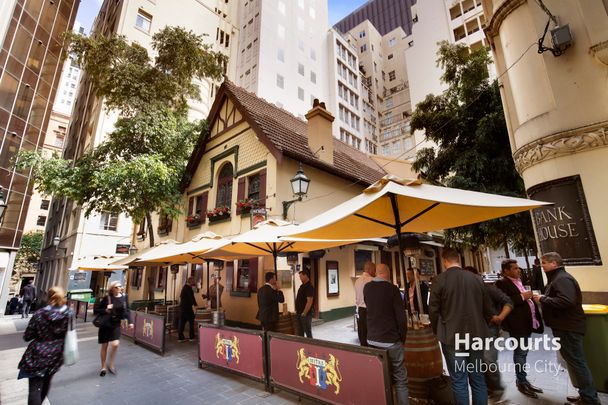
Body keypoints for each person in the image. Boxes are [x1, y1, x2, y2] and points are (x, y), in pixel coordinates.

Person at [533, 252, 601, 405]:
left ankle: (590, 399)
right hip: (565, 326)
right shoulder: (558, 278)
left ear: (554, 264)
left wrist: (543, 298)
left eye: (544, 263)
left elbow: (566, 301)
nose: (541, 266)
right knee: (575, 361)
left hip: (568, 327)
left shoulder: (561, 279)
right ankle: (586, 394)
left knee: (577, 362)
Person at [429, 248, 493, 405]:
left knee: (459, 380)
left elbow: (433, 310)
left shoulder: (439, 280)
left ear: (445, 261)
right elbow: (488, 310)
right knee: (477, 377)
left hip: (451, 336)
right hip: (476, 335)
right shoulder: (476, 279)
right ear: (459, 260)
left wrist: (436, 330)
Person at [495, 259, 544, 398]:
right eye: (515, 268)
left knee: (523, 353)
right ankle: (521, 381)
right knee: (520, 354)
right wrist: (523, 296)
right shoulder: (502, 283)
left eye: (518, 268)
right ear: (506, 270)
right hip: (517, 325)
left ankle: (523, 380)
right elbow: (504, 302)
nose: (518, 270)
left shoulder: (518, 280)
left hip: (526, 323)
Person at [464, 265, 513, 401]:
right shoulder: (466, 292)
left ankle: (497, 389)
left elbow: (508, 302)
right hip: (474, 330)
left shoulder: (489, 288)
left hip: (490, 329)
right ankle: (488, 389)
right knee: (478, 362)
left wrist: (500, 317)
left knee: (488, 359)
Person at [364, 263, 409, 405]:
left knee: (380, 377)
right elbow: (401, 319)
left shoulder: (367, 288)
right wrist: (402, 338)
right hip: (391, 340)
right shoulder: (393, 289)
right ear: (387, 273)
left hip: (372, 340)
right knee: (400, 379)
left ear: (376, 273)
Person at [18, 286, 70, 405]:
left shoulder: (39, 314)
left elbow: (27, 336)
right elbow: (69, 334)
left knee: (35, 387)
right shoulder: (68, 314)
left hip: (38, 352)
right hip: (57, 353)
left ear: (48, 296)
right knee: (47, 382)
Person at [93, 281, 132, 376]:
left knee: (115, 344)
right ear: (113, 289)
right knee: (104, 346)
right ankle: (103, 367)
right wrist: (105, 310)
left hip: (116, 324)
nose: (120, 287)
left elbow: (127, 310)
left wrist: (130, 322)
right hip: (105, 324)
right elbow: (96, 309)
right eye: (117, 286)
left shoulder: (124, 297)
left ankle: (111, 363)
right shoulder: (107, 298)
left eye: (120, 286)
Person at [354, 260, 376, 346]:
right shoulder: (372, 280)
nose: (374, 272)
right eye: (374, 270)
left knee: (362, 337)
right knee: (372, 337)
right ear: (370, 269)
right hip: (370, 311)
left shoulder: (357, 281)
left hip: (360, 311)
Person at [295, 270, 314, 338]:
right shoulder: (302, 286)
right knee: (300, 332)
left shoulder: (309, 287)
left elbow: (309, 301)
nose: (300, 278)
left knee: (308, 332)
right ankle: (302, 346)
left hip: (305, 314)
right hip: (299, 313)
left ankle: (311, 346)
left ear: (305, 275)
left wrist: (304, 313)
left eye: (301, 276)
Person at [178, 277, 197, 342]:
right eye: (193, 281)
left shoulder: (184, 287)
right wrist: (195, 305)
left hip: (182, 308)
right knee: (191, 321)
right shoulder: (188, 288)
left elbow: (181, 297)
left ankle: (180, 338)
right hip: (187, 308)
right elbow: (191, 297)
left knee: (182, 322)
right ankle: (191, 337)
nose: (194, 282)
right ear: (190, 281)